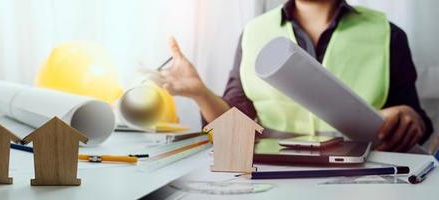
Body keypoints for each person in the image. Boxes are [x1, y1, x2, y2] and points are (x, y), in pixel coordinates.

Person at [159, 0, 434, 152]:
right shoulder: (253, 33)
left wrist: (412, 119)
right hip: (276, 179)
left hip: (366, 176)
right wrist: (200, 94)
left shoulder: (387, 33)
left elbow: (417, 122)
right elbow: (235, 133)